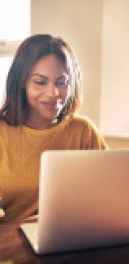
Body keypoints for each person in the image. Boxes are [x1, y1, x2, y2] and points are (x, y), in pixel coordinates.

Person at [0, 34, 107, 224]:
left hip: (72, 238)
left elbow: (110, 190)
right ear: (21, 82)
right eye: (40, 82)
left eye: (61, 82)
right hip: (8, 245)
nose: (53, 93)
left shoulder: (83, 131)